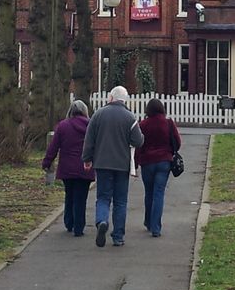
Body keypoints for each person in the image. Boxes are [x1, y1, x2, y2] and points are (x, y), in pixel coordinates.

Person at [82, 85, 143, 247]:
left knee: (103, 197)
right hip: (121, 164)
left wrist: (87, 158)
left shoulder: (98, 115)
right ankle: (118, 236)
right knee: (120, 201)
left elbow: (89, 139)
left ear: (111, 98)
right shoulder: (130, 117)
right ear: (125, 100)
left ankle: (102, 221)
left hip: (102, 163)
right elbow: (138, 141)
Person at [42, 100, 95, 237]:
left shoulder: (63, 126)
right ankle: (79, 227)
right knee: (81, 197)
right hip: (85, 167)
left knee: (69, 194)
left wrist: (47, 162)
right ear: (85, 111)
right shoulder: (90, 125)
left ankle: (69, 222)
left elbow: (53, 147)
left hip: (67, 167)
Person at [134, 98, 181, 238]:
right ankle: (156, 227)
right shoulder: (168, 123)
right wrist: (170, 151)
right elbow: (177, 142)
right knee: (158, 193)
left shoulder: (142, 125)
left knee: (149, 193)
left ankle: (148, 221)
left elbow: (138, 145)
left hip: (147, 162)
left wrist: (135, 164)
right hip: (163, 162)